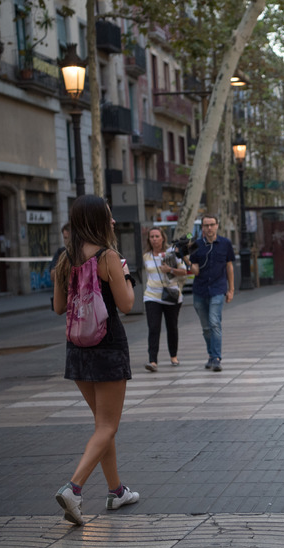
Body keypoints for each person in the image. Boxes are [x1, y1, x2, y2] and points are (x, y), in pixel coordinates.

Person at [52, 195, 139, 526]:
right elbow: (128, 304)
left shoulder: (66, 258)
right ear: (97, 221)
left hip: (77, 352)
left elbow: (59, 307)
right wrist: (125, 275)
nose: (113, 221)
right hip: (108, 346)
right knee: (107, 425)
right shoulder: (109, 257)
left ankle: (116, 491)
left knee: (103, 425)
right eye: (108, 215)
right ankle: (74, 489)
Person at [187, 215, 235, 372]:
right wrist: (186, 259)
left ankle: (216, 357)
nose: (209, 228)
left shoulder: (225, 243)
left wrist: (231, 289)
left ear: (217, 226)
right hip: (200, 290)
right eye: (206, 225)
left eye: (212, 225)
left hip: (218, 289)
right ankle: (210, 355)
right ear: (202, 227)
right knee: (206, 327)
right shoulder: (196, 245)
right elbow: (195, 270)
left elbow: (229, 266)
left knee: (214, 322)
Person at [142, 227, 190, 372]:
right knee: (153, 328)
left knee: (172, 327)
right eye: (152, 237)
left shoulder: (172, 253)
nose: (154, 239)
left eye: (157, 236)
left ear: (163, 238)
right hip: (152, 295)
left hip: (171, 294)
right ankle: (152, 360)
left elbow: (184, 272)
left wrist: (170, 270)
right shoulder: (146, 256)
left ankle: (173, 356)